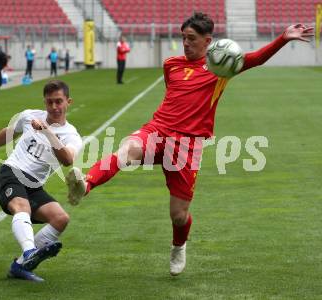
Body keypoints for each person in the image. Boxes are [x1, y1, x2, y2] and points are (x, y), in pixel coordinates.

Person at [66, 13, 314, 276]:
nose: (185, 43)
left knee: (178, 215)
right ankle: (86, 184)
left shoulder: (222, 69)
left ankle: (178, 246)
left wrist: (283, 39)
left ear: (208, 41)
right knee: (128, 149)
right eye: (183, 37)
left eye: (191, 39)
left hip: (186, 146)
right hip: (158, 129)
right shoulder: (171, 64)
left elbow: (256, 58)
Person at [0, 80, 83, 282]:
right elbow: (8, 133)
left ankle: (19, 266)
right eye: (50, 102)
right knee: (22, 207)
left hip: (34, 185)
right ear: (44, 102)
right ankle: (29, 253)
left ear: (68, 102)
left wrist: (46, 131)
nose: (54, 107)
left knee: (61, 218)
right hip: (10, 173)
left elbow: (68, 159)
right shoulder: (29, 116)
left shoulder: (72, 135)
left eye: (59, 101)